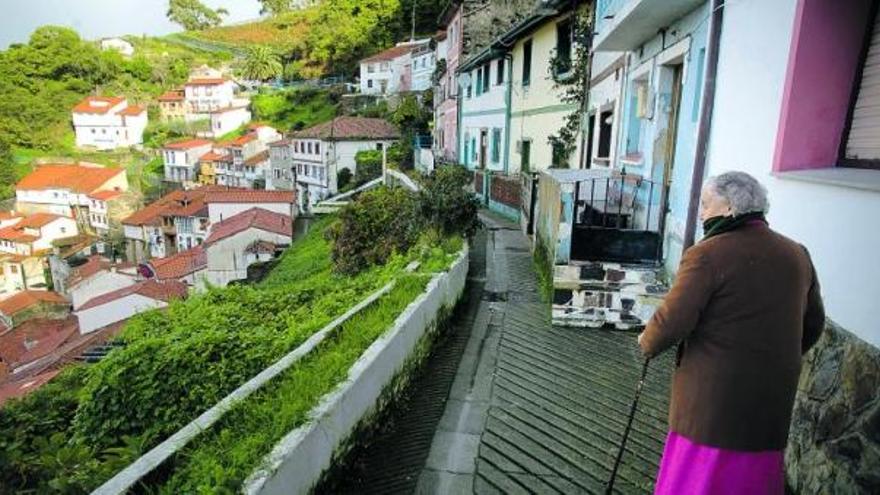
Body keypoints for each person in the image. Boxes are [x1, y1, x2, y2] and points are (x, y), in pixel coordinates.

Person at [638, 171, 825, 495]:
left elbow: (671, 321)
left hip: (713, 403)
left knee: (701, 479)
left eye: (707, 204)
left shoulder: (707, 253)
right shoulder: (797, 253)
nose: (701, 212)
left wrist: (647, 341)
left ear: (729, 208)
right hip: (770, 399)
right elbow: (813, 325)